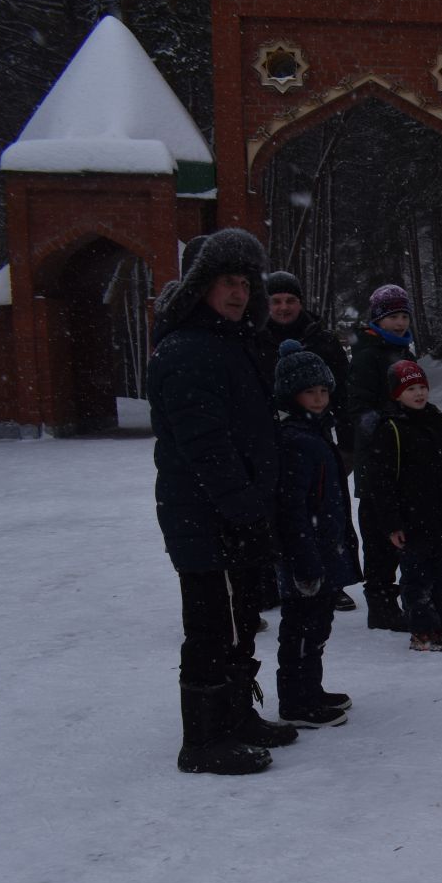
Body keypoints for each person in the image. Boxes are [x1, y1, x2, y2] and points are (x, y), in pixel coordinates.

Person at [147, 228, 300, 774]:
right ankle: (203, 740)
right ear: (199, 287)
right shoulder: (188, 349)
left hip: (231, 511)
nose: (238, 293)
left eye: (243, 282)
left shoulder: (227, 343)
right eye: (225, 282)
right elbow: (206, 445)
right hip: (205, 514)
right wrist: (242, 508)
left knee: (239, 617)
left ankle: (236, 717)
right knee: (210, 624)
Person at [357, 361, 442, 652]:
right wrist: (392, 524)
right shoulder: (392, 430)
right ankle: (423, 632)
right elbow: (381, 484)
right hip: (412, 522)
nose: (419, 393)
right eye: (411, 388)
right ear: (397, 394)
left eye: (422, 387)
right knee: (418, 578)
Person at [271, 341, 360, 726]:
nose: (319, 398)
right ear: (293, 395)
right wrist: (305, 561)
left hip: (321, 549)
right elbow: (292, 510)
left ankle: (311, 689)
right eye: (310, 392)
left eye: (324, 391)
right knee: (301, 631)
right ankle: (296, 701)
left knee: (317, 627)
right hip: (305, 556)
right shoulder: (295, 441)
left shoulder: (318, 433)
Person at [262, 270, 358, 611]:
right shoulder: (255, 338)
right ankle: (276, 579)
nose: (283, 307)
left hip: (318, 436)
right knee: (283, 513)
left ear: (301, 303)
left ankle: (333, 579)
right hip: (269, 438)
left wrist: (347, 444)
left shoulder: (321, 338)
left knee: (327, 511)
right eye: (276, 301)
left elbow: (343, 394)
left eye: (290, 300)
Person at [345, 283, 418, 629]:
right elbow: (360, 408)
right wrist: (391, 422)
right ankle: (381, 602)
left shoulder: (403, 352)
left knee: (409, 526)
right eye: (392, 317)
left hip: (405, 458)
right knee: (379, 532)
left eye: (403, 315)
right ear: (377, 320)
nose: (400, 323)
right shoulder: (368, 355)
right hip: (378, 459)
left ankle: (416, 593)